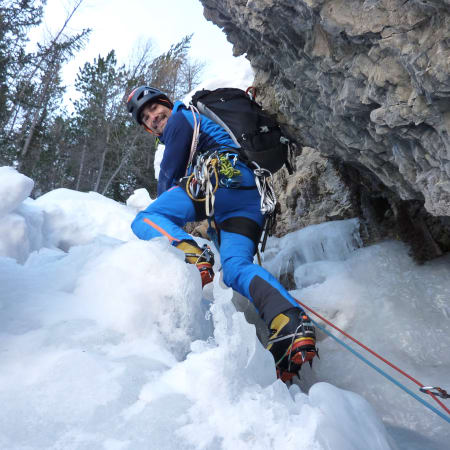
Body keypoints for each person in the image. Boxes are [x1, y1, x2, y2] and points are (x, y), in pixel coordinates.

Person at [126, 85, 317, 381]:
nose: (153, 116)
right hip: (246, 197)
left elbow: (167, 179)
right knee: (235, 268)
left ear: (167, 103)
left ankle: (192, 255)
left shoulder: (181, 118)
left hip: (219, 177)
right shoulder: (190, 123)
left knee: (146, 219)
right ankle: (289, 321)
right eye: (146, 117)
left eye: (154, 108)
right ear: (146, 128)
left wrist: (173, 222)